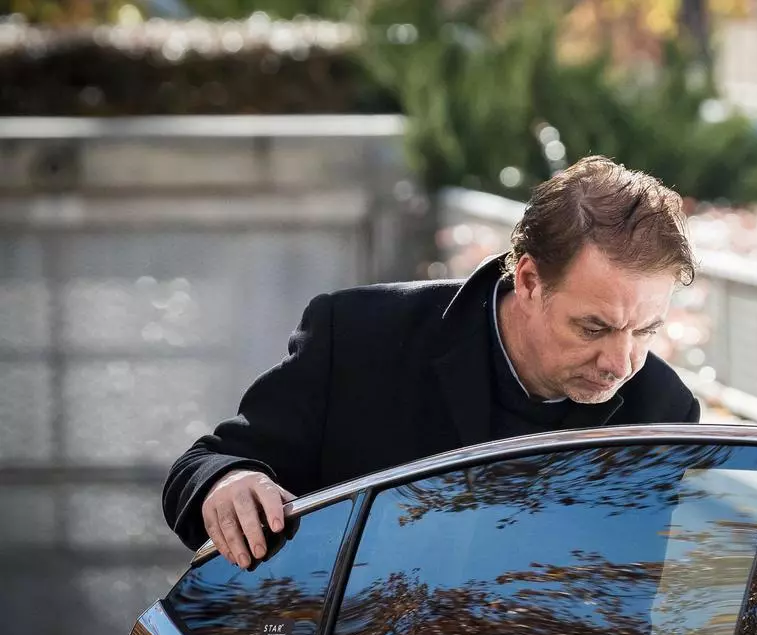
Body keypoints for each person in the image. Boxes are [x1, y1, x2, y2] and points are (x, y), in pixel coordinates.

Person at [162, 155, 703, 567]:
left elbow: (634, 607)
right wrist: (227, 482)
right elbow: (205, 465)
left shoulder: (665, 411)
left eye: (646, 330)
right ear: (529, 280)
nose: (621, 362)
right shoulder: (357, 335)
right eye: (593, 328)